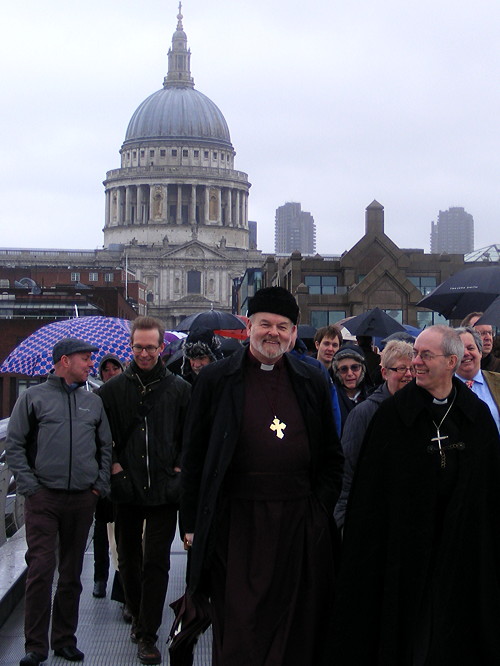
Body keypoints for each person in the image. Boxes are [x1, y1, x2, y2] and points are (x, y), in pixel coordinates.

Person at [181, 286, 343, 665]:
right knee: (240, 625)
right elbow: (194, 456)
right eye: (265, 324)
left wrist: (319, 510)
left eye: (282, 326)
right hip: (236, 523)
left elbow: (331, 455)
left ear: (293, 330)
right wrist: (190, 522)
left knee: (295, 624)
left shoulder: (312, 378)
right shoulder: (216, 380)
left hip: (297, 523)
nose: (274, 333)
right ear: (249, 326)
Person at [330, 325, 500, 665]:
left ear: (451, 361)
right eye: (413, 355)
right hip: (404, 550)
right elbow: (372, 493)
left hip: (462, 547)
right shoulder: (392, 417)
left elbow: (489, 489)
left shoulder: (476, 416)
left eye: (424, 355)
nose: (415, 363)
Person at [6, 338, 112, 666]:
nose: (90, 365)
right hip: (44, 498)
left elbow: (105, 447)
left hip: (82, 498)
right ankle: (34, 646)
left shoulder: (92, 402)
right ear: (64, 361)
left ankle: (64, 640)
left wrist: (98, 486)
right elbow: (14, 445)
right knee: (40, 569)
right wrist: (31, 488)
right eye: (85, 360)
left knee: (71, 572)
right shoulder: (32, 398)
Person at [97, 316, 190, 666]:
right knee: (129, 562)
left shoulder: (180, 390)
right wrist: (117, 470)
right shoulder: (111, 391)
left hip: (164, 489)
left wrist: (178, 471)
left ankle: (148, 634)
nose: (145, 353)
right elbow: (103, 438)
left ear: (161, 348)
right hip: (127, 488)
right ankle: (137, 615)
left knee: (156, 562)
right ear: (131, 347)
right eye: (139, 347)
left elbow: (189, 436)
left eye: (151, 347)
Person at [334, 339, 414, 528]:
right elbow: (347, 473)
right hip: (374, 519)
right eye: (401, 369)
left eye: (412, 369)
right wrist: (343, 521)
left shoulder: (422, 410)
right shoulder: (364, 414)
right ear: (385, 373)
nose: (408, 375)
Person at [92, 354, 125, 600]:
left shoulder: (127, 398)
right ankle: (99, 577)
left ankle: (118, 579)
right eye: (106, 369)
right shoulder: (94, 401)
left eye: (115, 368)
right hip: (101, 472)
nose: (111, 372)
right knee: (102, 527)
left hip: (121, 471)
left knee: (120, 530)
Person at [455, 326, 500, 431]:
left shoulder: (497, 381)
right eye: (460, 349)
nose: (466, 353)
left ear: (480, 353)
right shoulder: (442, 387)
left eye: (471, 348)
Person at [332, 344, 372, 432]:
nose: (350, 373)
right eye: (343, 369)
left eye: (355, 367)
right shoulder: (330, 397)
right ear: (337, 372)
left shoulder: (373, 396)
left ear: (363, 369)